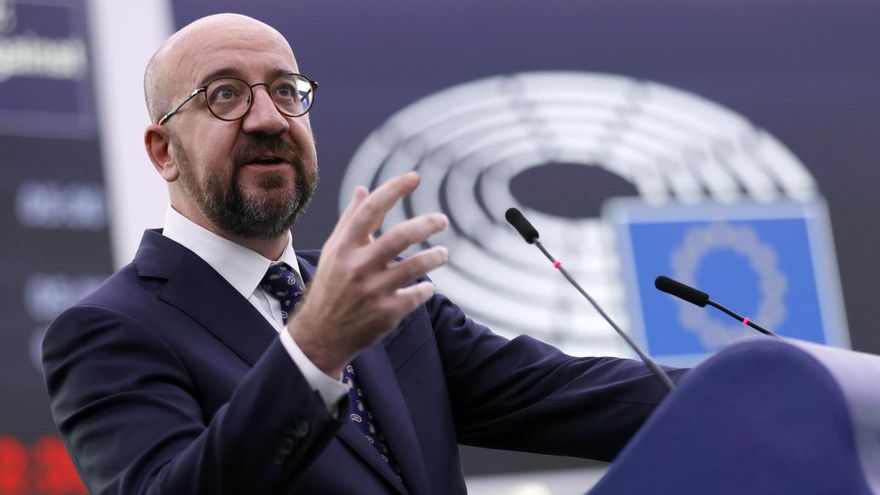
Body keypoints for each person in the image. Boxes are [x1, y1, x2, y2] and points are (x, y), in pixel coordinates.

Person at [42, 13, 685, 495]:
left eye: (287, 91)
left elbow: (576, 397)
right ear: (162, 151)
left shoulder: (384, 302)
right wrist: (314, 349)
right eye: (224, 95)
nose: (268, 117)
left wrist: (769, 379)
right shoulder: (108, 331)